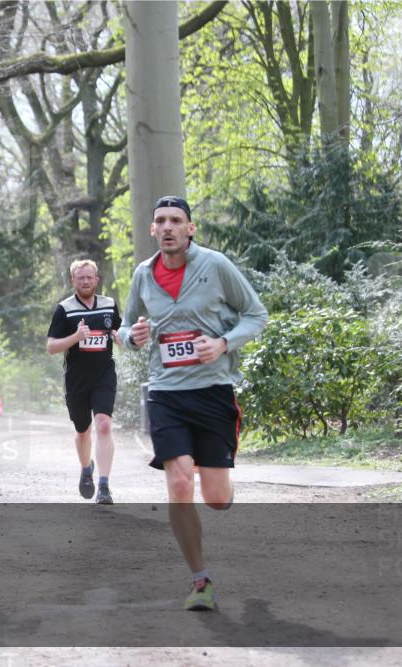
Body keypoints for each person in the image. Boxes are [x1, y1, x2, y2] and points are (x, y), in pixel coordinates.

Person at [118, 195, 267, 611]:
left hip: (213, 391)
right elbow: (125, 328)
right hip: (165, 393)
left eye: (175, 220)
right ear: (152, 229)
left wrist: (223, 343)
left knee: (215, 498)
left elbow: (256, 315)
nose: (167, 227)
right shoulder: (143, 274)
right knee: (180, 484)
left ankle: (220, 484)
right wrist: (133, 337)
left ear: (190, 228)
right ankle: (200, 581)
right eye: (160, 221)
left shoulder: (216, 266)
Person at [47, 259, 121, 504]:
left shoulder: (109, 305)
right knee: (82, 431)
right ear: (73, 281)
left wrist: (122, 337)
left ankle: (104, 486)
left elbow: (119, 331)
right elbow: (51, 347)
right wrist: (76, 337)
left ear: (97, 280)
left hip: (104, 375)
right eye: (81, 278)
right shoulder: (64, 309)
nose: (86, 281)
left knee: (104, 425)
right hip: (76, 380)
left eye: (90, 277)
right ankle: (86, 468)